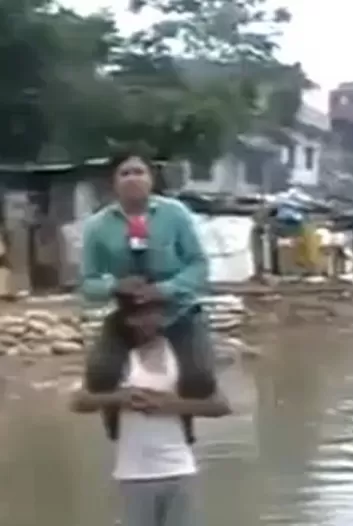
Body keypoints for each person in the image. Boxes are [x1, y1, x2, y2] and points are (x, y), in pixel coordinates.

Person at [80, 148, 217, 444]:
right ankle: (116, 427)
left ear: (152, 178)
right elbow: (87, 284)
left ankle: (184, 424)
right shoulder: (97, 227)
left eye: (139, 172)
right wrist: (114, 287)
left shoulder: (175, 214)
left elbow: (199, 264)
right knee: (99, 375)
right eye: (125, 173)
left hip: (177, 311)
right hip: (128, 314)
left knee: (200, 378)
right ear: (113, 182)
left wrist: (165, 289)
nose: (133, 179)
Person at [70, 296, 230, 526]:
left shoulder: (181, 356)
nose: (151, 320)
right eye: (142, 315)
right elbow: (78, 401)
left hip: (179, 469)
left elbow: (221, 405)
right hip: (133, 474)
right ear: (128, 319)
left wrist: (170, 405)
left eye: (156, 313)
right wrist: (121, 398)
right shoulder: (114, 360)